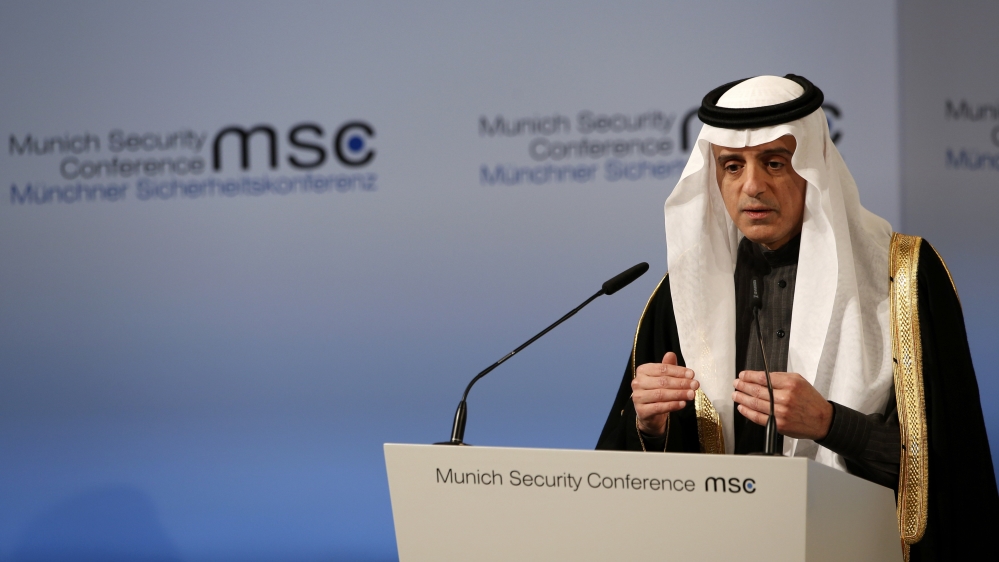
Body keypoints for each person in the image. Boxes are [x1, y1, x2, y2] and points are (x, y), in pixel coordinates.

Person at [596, 75, 998, 559]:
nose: (752, 186)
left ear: (813, 166)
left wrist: (831, 423)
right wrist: (649, 427)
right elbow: (638, 486)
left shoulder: (903, 278)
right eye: (732, 166)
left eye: (774, 163)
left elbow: (950, 471)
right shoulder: (681, 297)